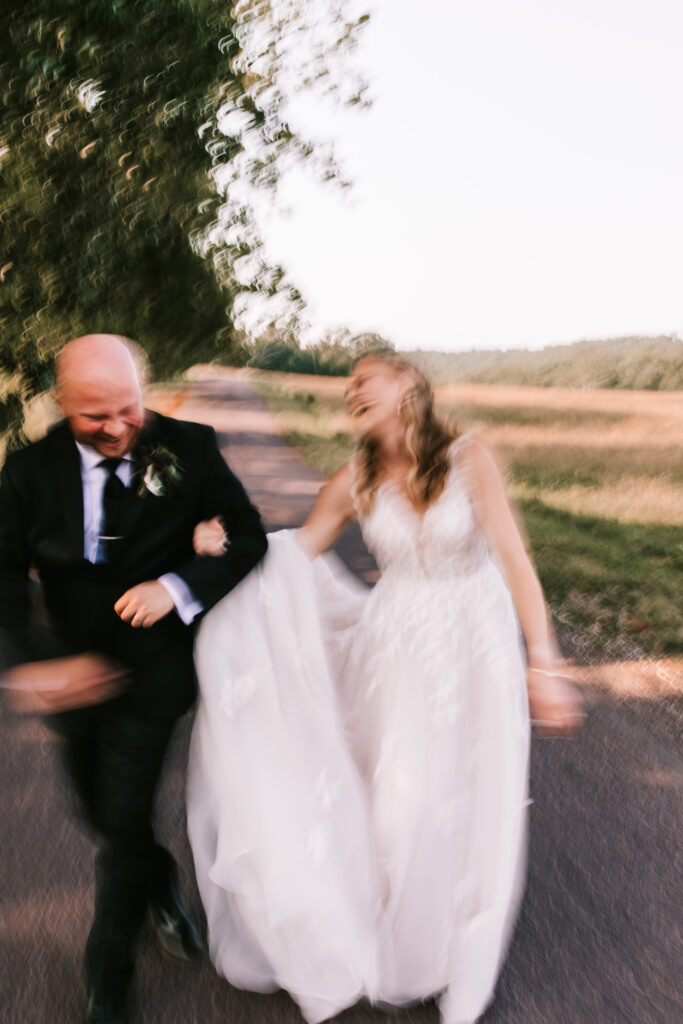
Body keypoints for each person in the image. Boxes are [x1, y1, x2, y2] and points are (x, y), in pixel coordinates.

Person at [188, 350, 583, 1024]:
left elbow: (514, 561)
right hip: (396, 653)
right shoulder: (353, 479)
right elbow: (288, 554)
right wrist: (221, 543)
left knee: (471, 792)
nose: (352, 392)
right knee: (405, 798)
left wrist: (542, 661)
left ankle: (453, 947)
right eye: (348, 389)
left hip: (476, 648)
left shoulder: (468, 458)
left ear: (408, 385)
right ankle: (400, 945)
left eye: (365, 379)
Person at [0, 335, 267, 1024]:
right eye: (96, 416)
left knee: (119, 825)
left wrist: (177, 586)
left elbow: (248, 537)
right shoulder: (27, 472)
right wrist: (32, 663)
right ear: (62, 403)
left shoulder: (191, 448)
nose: (118, 428)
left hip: (153, 677)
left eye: (129, 409)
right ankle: (160, 881)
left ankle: (108, 978)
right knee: (98, 813)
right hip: (71, 677)